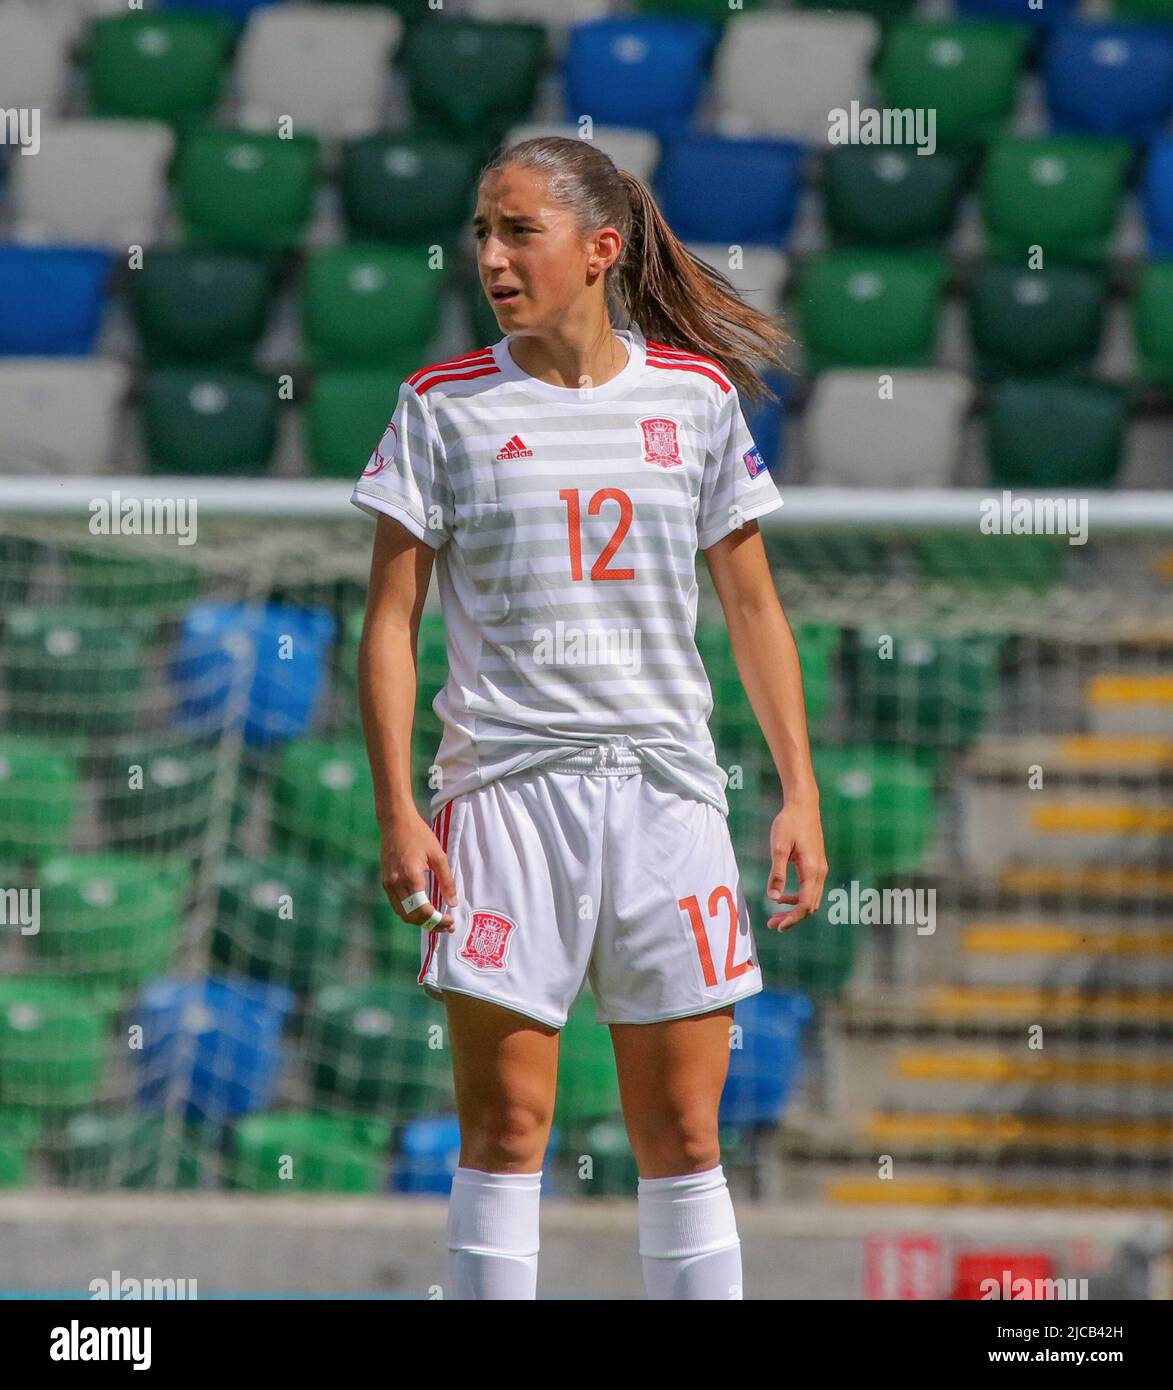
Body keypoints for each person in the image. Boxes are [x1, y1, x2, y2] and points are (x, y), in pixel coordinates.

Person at [351, 135, 827, 1301]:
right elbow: (387, 623)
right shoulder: (442, 406)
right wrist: (400, 806)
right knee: (508, 1129)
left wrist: (799, 792)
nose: (493, 257)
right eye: (482, 233)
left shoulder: (697, 399)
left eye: (519, 231)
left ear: (601, 248)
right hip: (504, 799)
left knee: (683, 1134)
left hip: (667, 798)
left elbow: (755, 608)